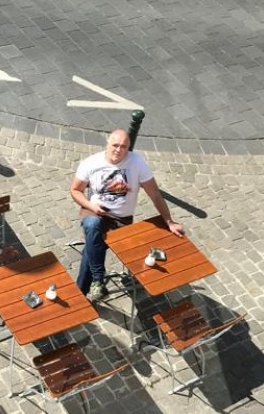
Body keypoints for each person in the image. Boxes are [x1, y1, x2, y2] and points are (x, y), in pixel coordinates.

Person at [70, 128, 185, 302]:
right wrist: (91, 206)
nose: (118, 150)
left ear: (128, 148)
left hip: (122, 219)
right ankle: (98, 279)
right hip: (95, 212)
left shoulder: (137, 163)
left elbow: (154, 193)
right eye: (115, 145)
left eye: (123, 147)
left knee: (92, 249)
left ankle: (85, 290)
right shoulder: (91, 163)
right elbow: (75, 190)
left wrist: (169, 221)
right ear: (107, 144)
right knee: (92, 226)